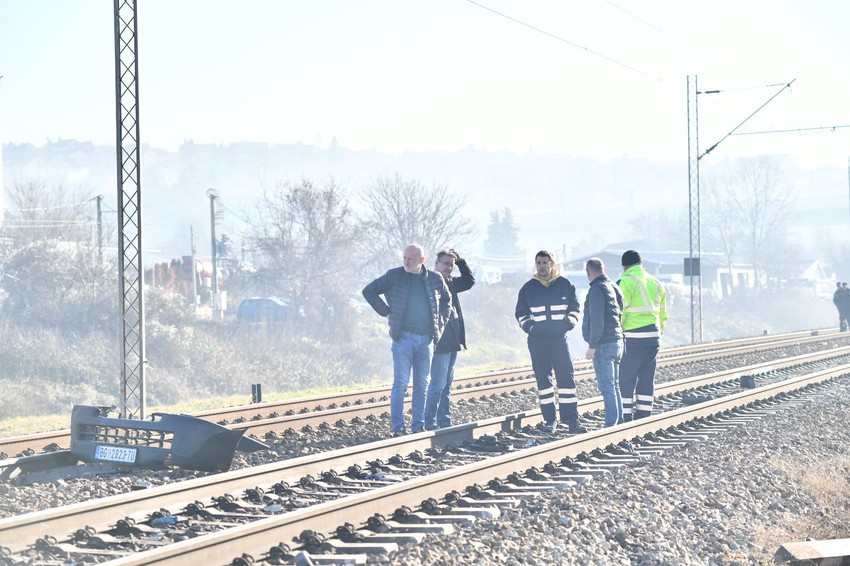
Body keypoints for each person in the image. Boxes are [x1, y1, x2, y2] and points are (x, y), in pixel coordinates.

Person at [362, 244, 452, 436]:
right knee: (401, 383)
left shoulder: (435, 279)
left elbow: (447, 302)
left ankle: (418, 426)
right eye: (404, 257)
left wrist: (440, 326)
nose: (406, 261)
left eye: (410, 258)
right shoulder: (394, 276)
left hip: (426, 339)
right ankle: (398, 427)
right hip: (403, 338)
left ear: (421, 260)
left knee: (422, 385)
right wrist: (386, 313)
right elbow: (368, 291)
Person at [515, 250, 587, 434]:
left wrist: (568, 324)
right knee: (543, 381)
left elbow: (575, 308)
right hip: (538, 341)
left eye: (545, 263)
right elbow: (521, 314)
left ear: (552, 264)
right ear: (536, 264)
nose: (542, 266)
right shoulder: (528, 288)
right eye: (539, 263)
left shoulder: (565, 284)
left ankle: (572, 421)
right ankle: (550, 421)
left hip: (559, 339)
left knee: (566, 379)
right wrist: (531, 328)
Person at [423, 249, 475, 430]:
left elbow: (469, 281)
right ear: (436, 264)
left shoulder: (451, 283)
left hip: (453, 341)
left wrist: (461, 261)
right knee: (437, 384)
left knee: (447, 384)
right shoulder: (429, 283)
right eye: (446, 264)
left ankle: (444, 420)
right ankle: (429, 422)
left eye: (451, 265)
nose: (449, 268)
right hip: (440, 342)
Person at [618, 250, 667, 422]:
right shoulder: (656, 282)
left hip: (633, 337)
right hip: (653, 337)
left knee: (626, 378)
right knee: (647, 378)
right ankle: (644, 417)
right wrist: (659, 331)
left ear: (625, 266)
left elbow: (619, 311)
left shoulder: (625, 281)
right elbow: (663, 313)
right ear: (641, 264)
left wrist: (617, 333)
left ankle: (624, 417)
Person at [581, 257, 624, 428]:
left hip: (604, 344)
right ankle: (619, 422)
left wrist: (592, 345)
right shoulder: (614, 286)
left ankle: (610, 426)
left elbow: (597, 319)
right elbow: (620, 313)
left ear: (589, 271)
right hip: (618, 341)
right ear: (603, 269)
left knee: (607, 387)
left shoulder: (597, 290)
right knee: (615, 386)